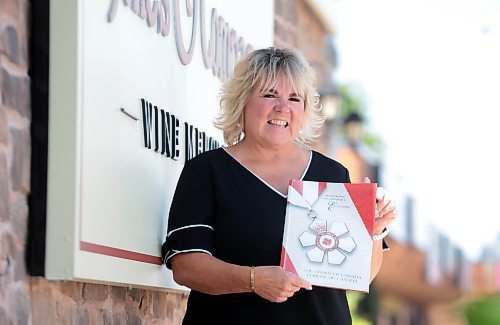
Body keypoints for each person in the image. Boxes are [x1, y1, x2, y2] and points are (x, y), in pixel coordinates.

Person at [161, 47, 397, 324]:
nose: (283, 107)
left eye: (295, 98)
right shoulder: (208, 171)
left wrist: (375, 230)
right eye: (270, 94)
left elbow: (358, 275)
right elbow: (186, 267)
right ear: (243, 100)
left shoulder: (333, 174)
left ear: (305, 109)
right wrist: (253, 280)